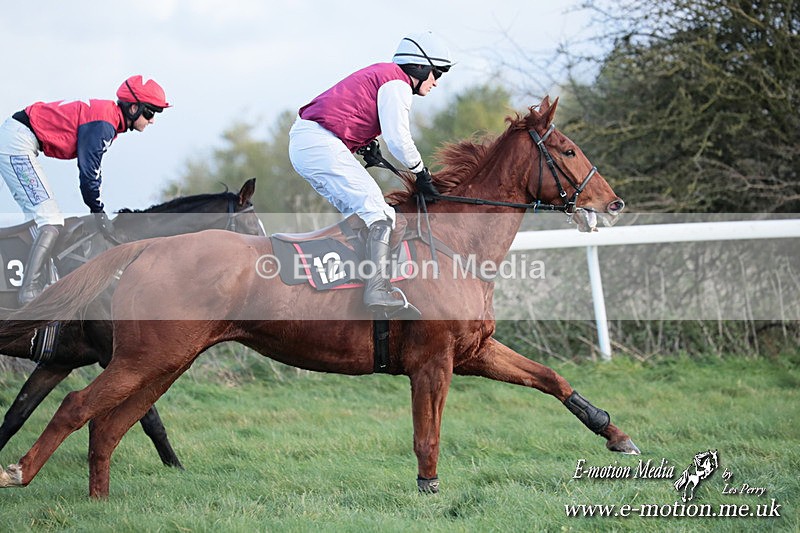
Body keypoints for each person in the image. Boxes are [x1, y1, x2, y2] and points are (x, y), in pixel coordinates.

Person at [289, 31, 453, 315]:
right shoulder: (397, 83)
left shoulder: (387, 76)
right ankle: (377, 289)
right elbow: (399, 139)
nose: (436, 81)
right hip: (319, 143)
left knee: (364, 216)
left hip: (313, 142)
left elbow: (355, 112)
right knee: (378, 213)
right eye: (436, 73)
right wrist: (421, 173)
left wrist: (364, 144)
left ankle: (351, 283)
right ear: (420, 66)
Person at [0, 75, 170, 304]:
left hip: (20, 138)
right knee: (49, 220)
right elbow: (89, 176)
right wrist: (98, 212)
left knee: (47, 218)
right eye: (150, 113)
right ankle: (29, 291)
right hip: (17, 143)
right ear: (132, 107)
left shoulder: (109, 118)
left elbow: (90, 175)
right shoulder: (104, 124)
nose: (152, 120)